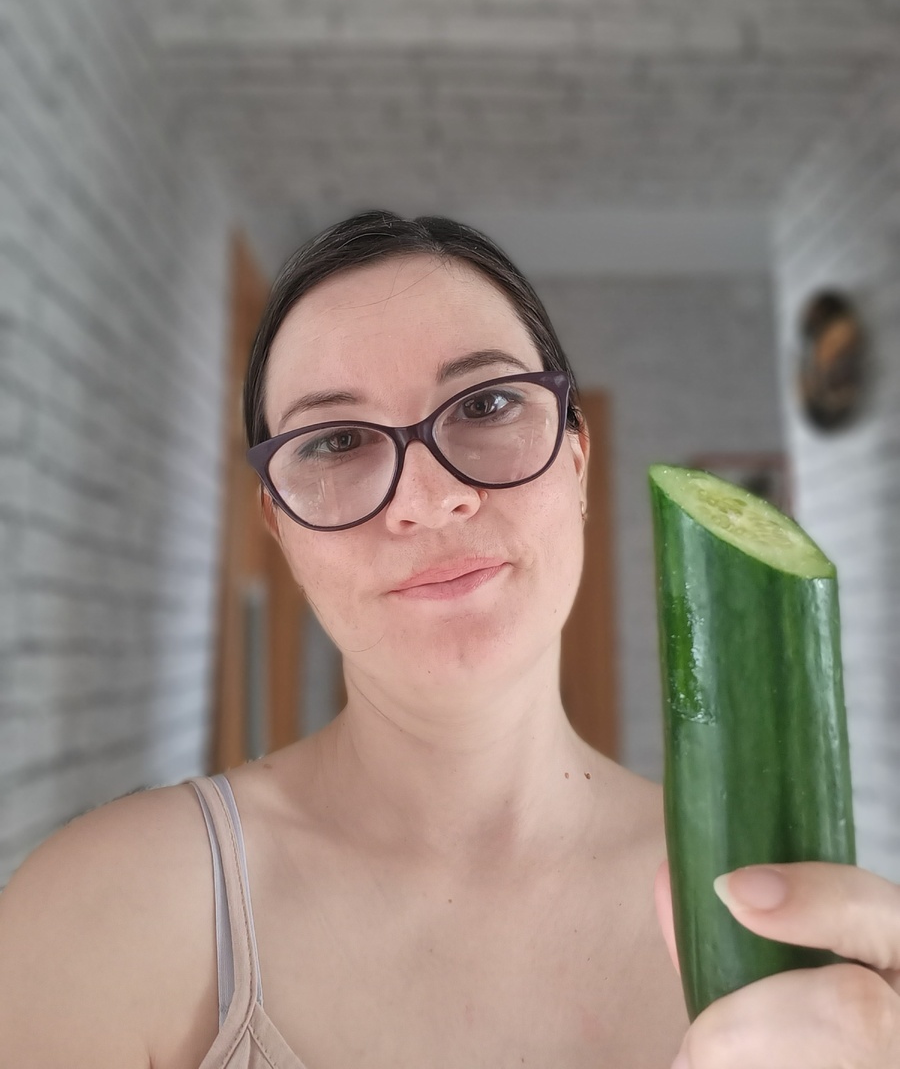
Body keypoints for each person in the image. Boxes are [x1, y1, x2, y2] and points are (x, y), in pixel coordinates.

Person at [1, 211, 898, 1068]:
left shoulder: (777, 910)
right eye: (336, 441)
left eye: (488, 403)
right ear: (279, 526)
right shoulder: (100, 915)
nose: (428, 500)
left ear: (576, 460)